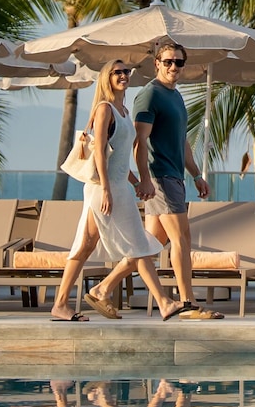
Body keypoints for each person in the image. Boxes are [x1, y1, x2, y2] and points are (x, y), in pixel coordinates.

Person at [63, 60, 186, 321]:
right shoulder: (104, 109)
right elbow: (99, 153)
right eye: (117, 72)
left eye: (126, 72)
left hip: (120, 189)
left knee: (88, 246)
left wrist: (138, 183)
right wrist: (107, 189)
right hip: (103, 190)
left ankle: (75, 298)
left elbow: (119, 159)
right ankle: (163, 302)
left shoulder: (124, 110)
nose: (123, 75)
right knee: (134, 245)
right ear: (107, 78)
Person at [134, 39, 218, 320]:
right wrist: (145, 180)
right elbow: (139, 141)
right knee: (182, 237)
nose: (173, 67)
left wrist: (196, 175)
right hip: (160, 177)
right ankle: (187, 303)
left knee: (150, 244)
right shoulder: (149, 95)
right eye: (168, 61)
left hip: (176, 176)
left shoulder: (176, 96)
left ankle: (102, 288)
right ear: (156, 63)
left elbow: (182, 141)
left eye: (178, 62)